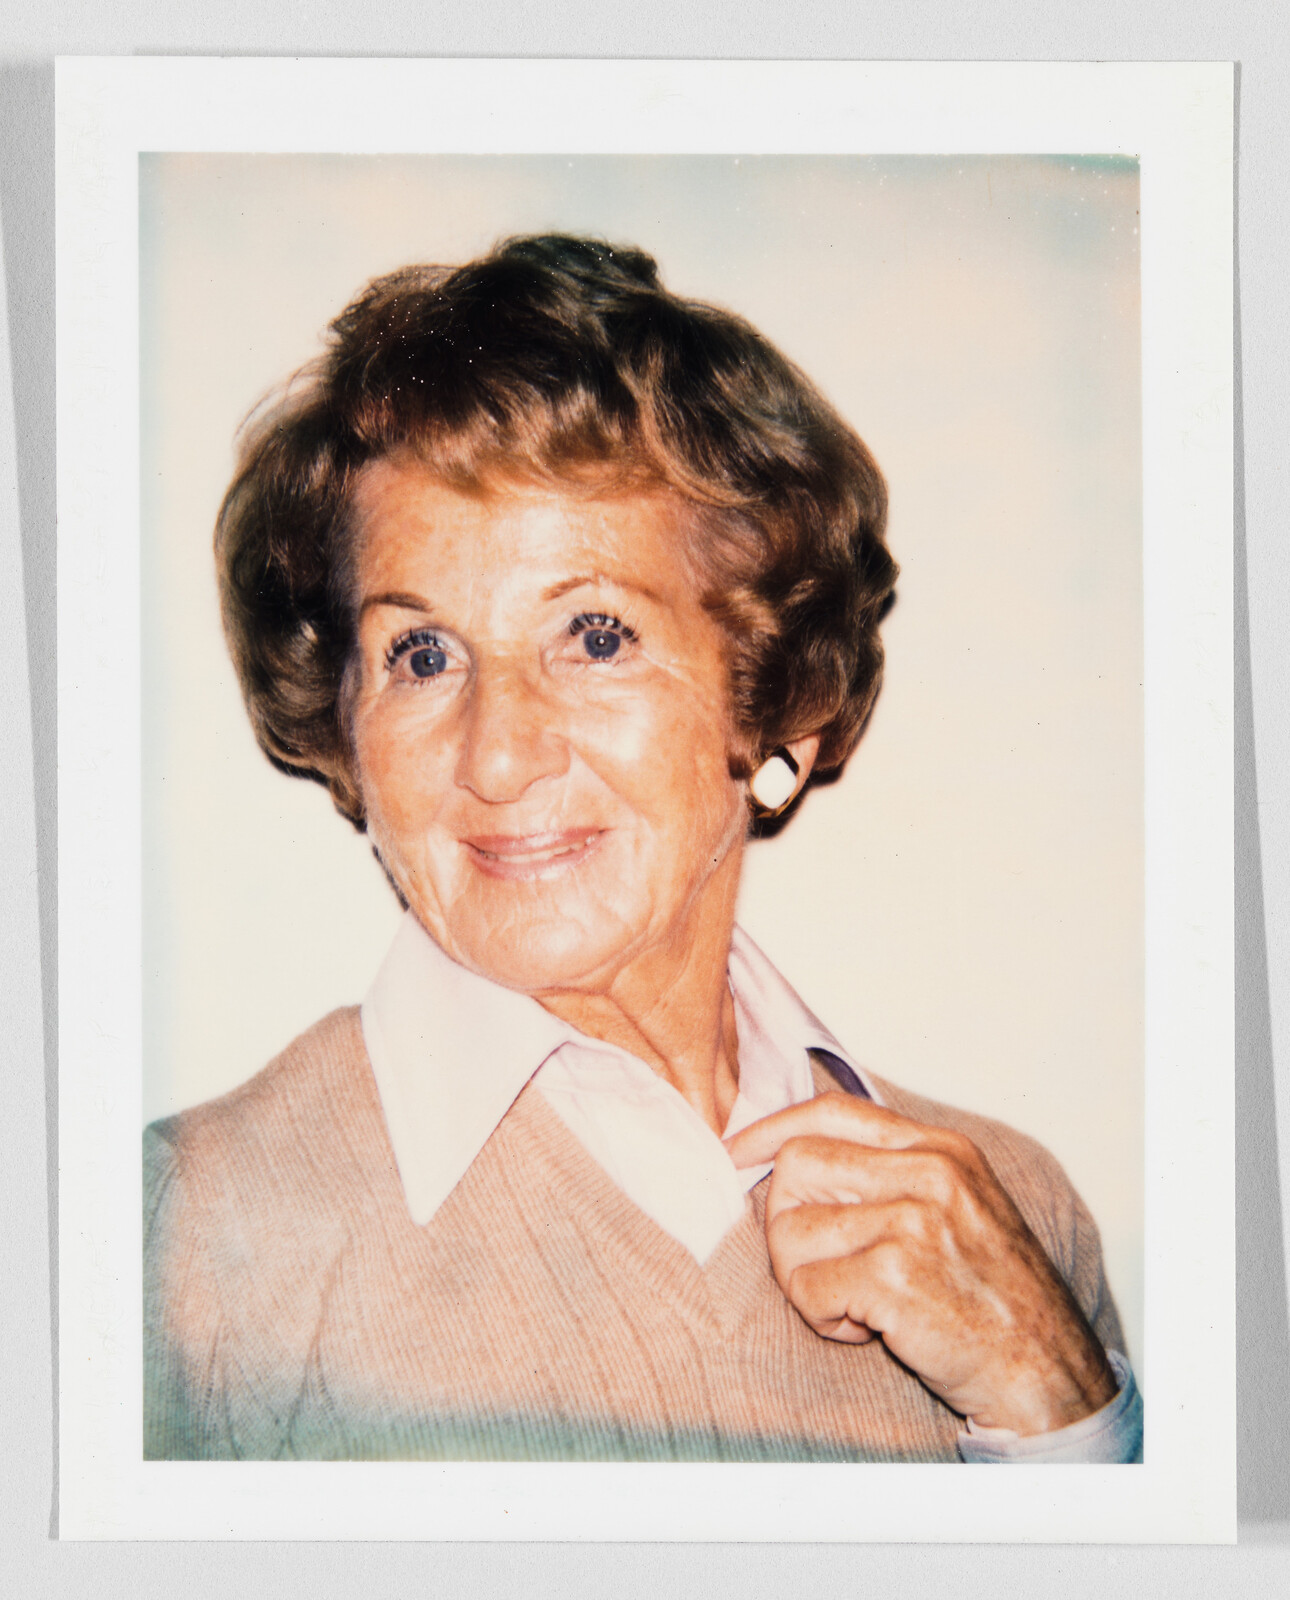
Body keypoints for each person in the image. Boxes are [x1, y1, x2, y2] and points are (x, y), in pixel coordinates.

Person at [144, 233, 1142, 1463]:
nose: (498, 754)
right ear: (344, 724)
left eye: (596, 634)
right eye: (422, 653)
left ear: (774, 696)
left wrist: (1068, 1425)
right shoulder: (180, 1246)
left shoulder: (1014, 1212)